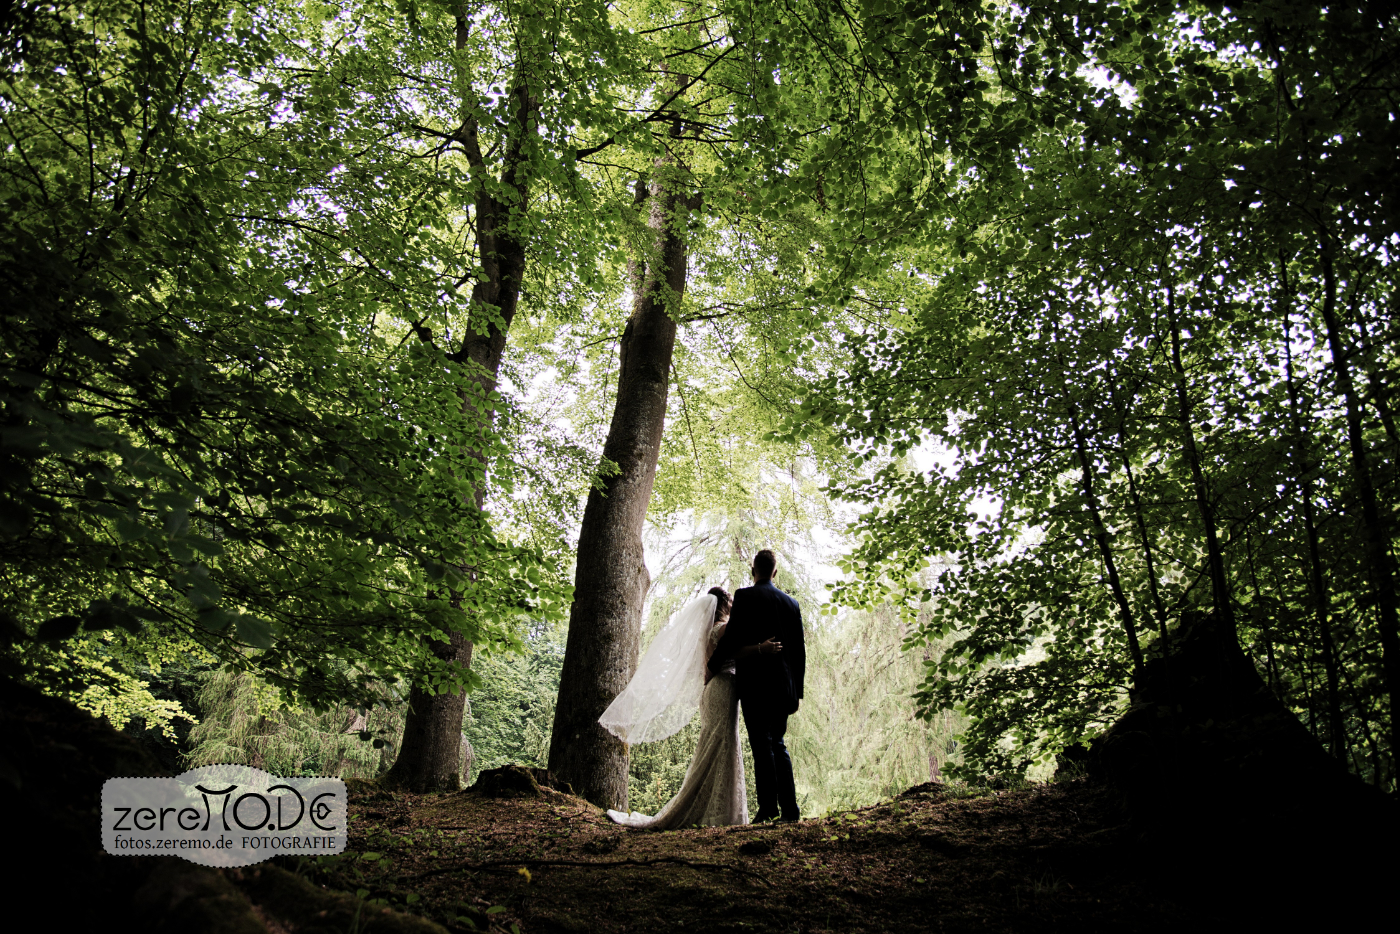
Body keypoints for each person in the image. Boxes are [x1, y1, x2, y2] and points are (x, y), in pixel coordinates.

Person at [600, 587, 748, 828]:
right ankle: (720, 812)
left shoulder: (707, 632)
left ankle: (717, 810)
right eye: (730, 600)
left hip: (713, 690)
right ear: (723, 604)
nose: (733, 604)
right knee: (723, 744)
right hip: (723, 689)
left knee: (716, 746)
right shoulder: (722, 629)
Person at [708, 549, 805, 823]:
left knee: (762, 745)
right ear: (775, 572)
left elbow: (730, 639)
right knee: (778, 743)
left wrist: (712, 666)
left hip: (754, 687)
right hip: (783, 688)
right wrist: (797, 691)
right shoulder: (791, 604)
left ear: (754, 570)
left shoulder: (745, 596)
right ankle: (790, 810)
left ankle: (767, 809)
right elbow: (799, 652)